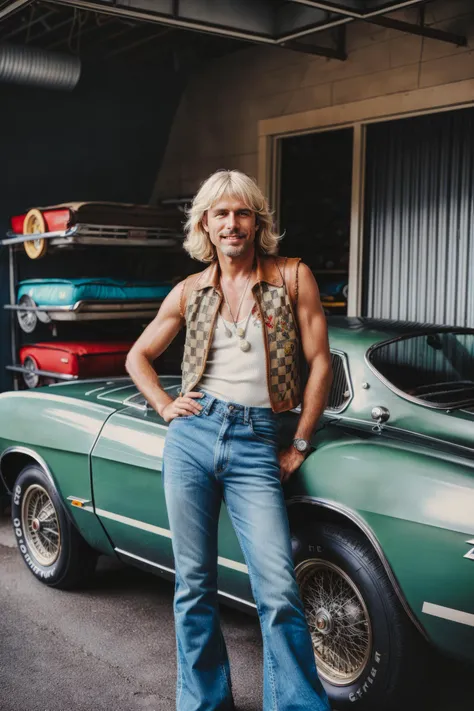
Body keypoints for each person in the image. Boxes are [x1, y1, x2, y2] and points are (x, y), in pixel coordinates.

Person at [126, 169, 332, 711]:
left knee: (278, 590)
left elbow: (320, 364)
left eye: (243, 212)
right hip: (192, 436)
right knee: (193, 586)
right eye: (221, 214)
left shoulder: (291, 277)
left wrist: (301, 443)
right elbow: (137, 356)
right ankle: (204, 703)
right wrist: (167, 406)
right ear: (206, 225)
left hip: (255, 439)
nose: (233, 223)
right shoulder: (191, 290)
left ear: (257, 222)